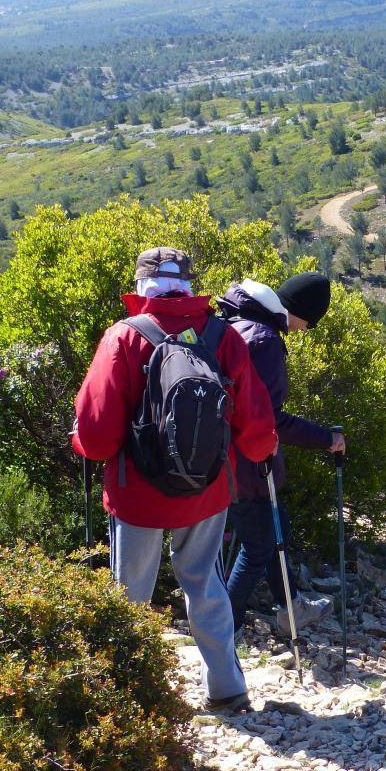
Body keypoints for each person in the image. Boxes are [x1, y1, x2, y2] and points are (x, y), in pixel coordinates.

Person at [73, 247, 278, 714]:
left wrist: (83, 447)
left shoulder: (123, 337)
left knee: (130, 597)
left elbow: (99, 436)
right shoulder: (222, 336)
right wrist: (259, 453)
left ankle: (126, 697)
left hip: (136, 495)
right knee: (206, 586)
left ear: (142, 285)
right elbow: (256, 429)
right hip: (207, 491)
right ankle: (226, 688)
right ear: (189, 284)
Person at [216, 273, 343, 637]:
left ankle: (291, 607)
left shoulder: (234, 323)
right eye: (309, 322)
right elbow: (269, 419)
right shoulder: (266, 340)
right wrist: (326, 438)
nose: (305, 330)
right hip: (246, 460)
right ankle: (225, 625)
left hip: (221, 454)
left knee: (276, 530)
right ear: (298, 312)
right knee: (258, 545)